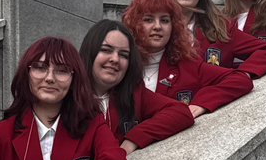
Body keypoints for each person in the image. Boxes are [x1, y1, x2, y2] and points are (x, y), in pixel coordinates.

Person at [0, 37, 130, 160]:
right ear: (26, 74)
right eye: (40, 68)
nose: (50, 78)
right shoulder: (1, 133)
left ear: (74, 79)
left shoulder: (92, 124)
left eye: (62, 70)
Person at [121, 0, 253, 117]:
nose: (157, 26)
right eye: (148, 20)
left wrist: (202, 103)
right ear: (134, 24)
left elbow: (240, 80)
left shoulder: (188, 65)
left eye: (165, 20)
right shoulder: (120, 64)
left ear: (174, 26)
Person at [79, 18, 194, 152]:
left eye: (123, 55)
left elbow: (181, 112)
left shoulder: (134, 93)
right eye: (106, 50)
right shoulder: (66, 93)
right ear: (90, 51)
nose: (115, 59)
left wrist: (133, 139)